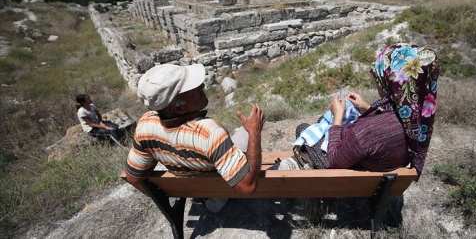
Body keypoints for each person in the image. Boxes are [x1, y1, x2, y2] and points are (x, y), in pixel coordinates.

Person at [282, 43, 439, 180]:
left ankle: (304, 167)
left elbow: (334, 160)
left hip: (348, 170)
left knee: (303, 128)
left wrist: (337, 118)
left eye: (379, 78)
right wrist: (368, 108)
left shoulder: (369, 130)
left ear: (392, 82)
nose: (377, 83)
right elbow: (388, 129)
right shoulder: (417, 120)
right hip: (381, 163)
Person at [124, 63, 265, 213]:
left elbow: (133, 178)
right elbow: (247, 186)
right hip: (220, 182)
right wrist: (254, 132)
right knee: (244, 133)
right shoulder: (209, 132)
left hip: (192, 184)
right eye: (193, 87)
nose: (202, 85)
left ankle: (210, 194)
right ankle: (220, 195)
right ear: (178, 108)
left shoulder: (146, 124)